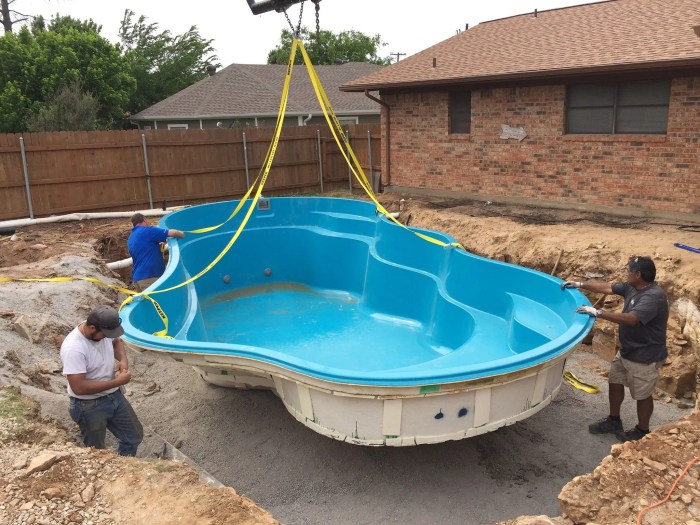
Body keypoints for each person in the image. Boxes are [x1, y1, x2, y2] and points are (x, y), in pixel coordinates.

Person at [561, 255, 669, 442]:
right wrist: (580, 284)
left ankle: (642, 431)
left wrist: (598, 312)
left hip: (645, 356)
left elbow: (632, 319)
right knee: (615, 382)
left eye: (628, 271)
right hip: (627, 350)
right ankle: (614, 420)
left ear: (638, 274)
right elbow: (607, 287)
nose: (625, 273)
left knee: (642, 394)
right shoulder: (632, 287)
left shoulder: (653, 297)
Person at [60, 305, 144, 456]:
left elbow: (116, 342)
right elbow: (79, 387)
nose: (107, 337)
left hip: (114, 397)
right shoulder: (74, 348)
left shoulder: (104, 330)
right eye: (104, 335)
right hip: (88, 405)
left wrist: (123, 359)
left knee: (133, 436)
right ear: (92, 328)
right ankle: (106, 474)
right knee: (96, 451)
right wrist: (118, 382)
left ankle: (122, 467)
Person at [128, 212, 184, 292]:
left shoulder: (131, 237)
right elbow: (173, 233)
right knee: (161, 303)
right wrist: (182, 234)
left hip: (138, 280)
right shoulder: (147, 231)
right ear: (144, 220)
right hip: (150, 279)